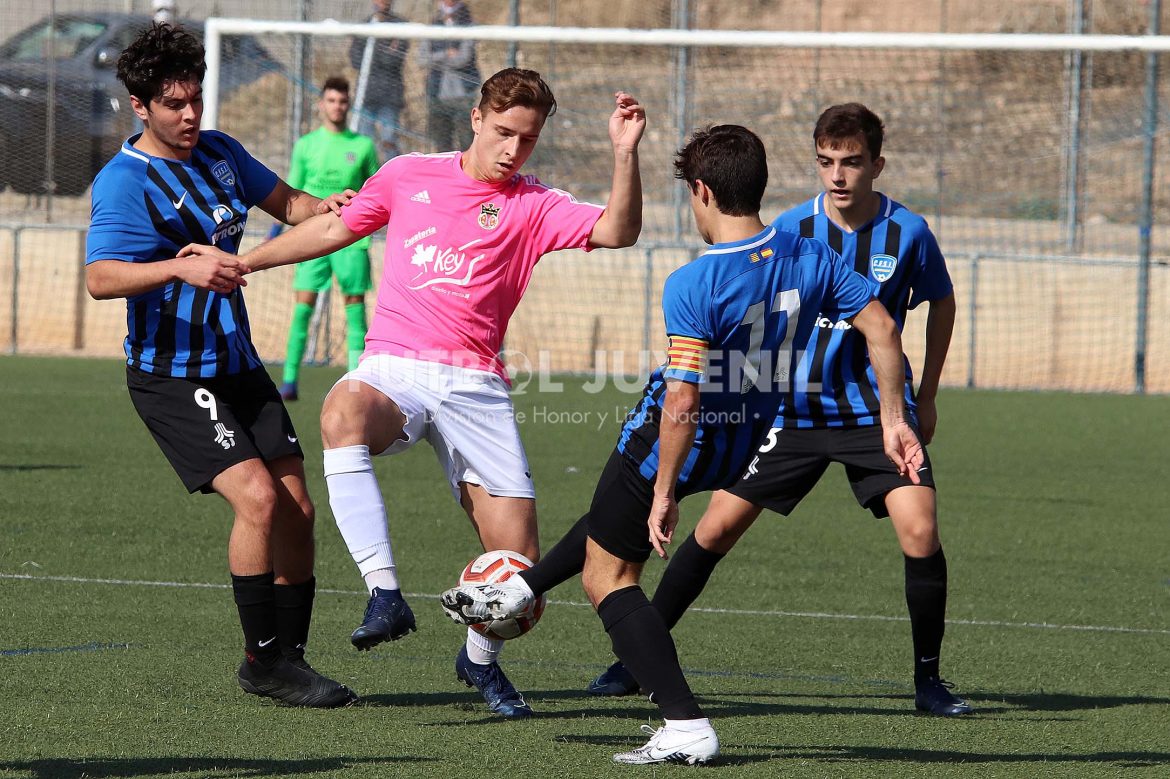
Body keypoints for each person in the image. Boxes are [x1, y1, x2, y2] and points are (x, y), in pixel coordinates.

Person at [442, 124, 925, 764]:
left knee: (608, 576)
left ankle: (684, 723)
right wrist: (894, 417)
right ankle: (524, 586)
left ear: (700, 191)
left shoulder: (695, 282)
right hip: (745, 441)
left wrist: (666, 488)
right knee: (614, 521)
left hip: (673, 440)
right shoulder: (811, 255)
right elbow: (884, 328)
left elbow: (683, 401)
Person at [180, 68, 646, 719]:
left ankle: (477, 661)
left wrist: (625, 155)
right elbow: (332, 230)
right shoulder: (407, 174)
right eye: (505, 132)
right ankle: (384, 592)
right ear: (477, 117)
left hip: (477, 385)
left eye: (529, 139)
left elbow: (619, 231)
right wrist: (246, 262)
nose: (514, 149)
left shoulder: (534, 203)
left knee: (518, 571)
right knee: (340, 409)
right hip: (394, 368)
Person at [585, 103, 970, 717]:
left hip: (870, 415)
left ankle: (929, 681)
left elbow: (935, 308)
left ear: (877, 164)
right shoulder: (789, 233)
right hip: (788, 414)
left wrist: (917, 404)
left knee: (921, 531)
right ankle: (635, 658)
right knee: (712, 531)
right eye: (826, 162)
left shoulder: (909, 234)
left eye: (852, 163)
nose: (838, 175)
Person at [85, 23, 358, 709]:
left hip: (237, 363)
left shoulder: (223, 154)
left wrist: (332, 207)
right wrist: (179, 264)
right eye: (173, 104)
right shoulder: (125, 182)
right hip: (172, 375)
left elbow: (291, 205)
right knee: (259, 499)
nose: (189, 116)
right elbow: (100, 277)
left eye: (196, 100)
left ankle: (290, 658)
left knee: (298, 508)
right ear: (139, 105)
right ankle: (260, 662)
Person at [272, 77, 380, 402]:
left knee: (355, 308)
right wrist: (275, 232)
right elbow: (291, 190)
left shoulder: (362, 146)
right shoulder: (306, 145)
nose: (337, 106)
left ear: (348, 105)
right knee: (303, 307)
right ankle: (289, 380)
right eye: (331, 100)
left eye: (342, 101)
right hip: (311, 237)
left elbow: (375, 188)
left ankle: (356, 384)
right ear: (322, 104)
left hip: (351, 239)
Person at [349, 0, 409, 159]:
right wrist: (384, 49)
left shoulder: (400, 25)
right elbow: (355, 60)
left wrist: (373, 51)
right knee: (364, 143)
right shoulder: (364, 26)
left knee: (389, 142)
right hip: (367, 95)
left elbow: (394, 60)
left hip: (390, 97)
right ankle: (365, 181)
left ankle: (393, 180)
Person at [420, 0, 478, 152]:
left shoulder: (468, 25)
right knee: (442, 143)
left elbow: (463, 58)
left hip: (463, 94)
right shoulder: (432, 26)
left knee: (467, 141)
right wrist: (446, 54)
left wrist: (437, 59)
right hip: (437, 94)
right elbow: (422, 59)